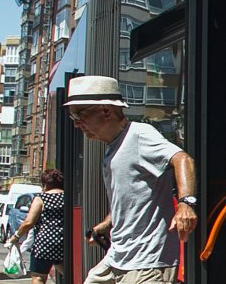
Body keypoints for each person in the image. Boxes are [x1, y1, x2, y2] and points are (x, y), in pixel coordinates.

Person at [65, 75, 197, 284]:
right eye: (73, 118)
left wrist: (186, 204)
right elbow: (129, 196)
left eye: (79, 115)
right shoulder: (112, 148)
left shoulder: (139, 135)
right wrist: (108, 223)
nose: (77, 124)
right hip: (119, 256)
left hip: (147, 262)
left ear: (106, 110)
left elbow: (183, 159)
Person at [7, 169, 66, 284]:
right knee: (69, 274)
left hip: (44, 243)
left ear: (45, 184)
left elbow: (29, 222)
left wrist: (17, 235)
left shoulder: (41, 198)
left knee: (39, 277)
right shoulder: (67, 197)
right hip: (63, 242)